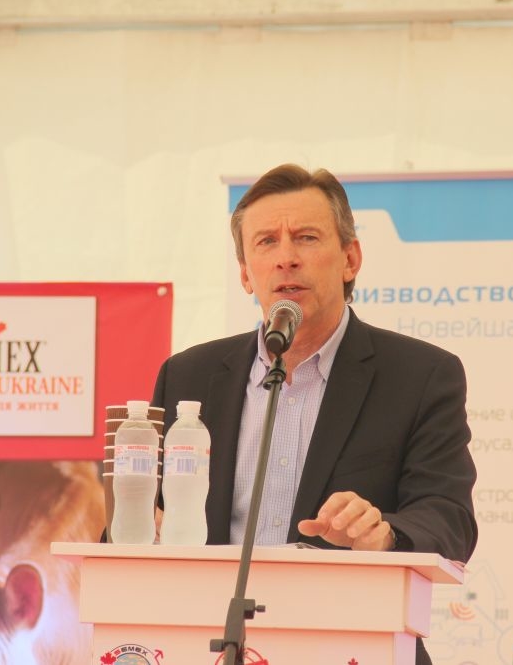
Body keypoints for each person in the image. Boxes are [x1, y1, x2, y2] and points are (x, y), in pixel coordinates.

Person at [153, 163, 477, 665]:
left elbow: (449, 518)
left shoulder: (420, 376)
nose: (286, 258)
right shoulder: (188, 376)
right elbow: (140, 519)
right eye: (266, 242)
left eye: (306, 238)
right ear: (245, 274)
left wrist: (383, 534)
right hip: (203, 647)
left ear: (350, 259)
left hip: (355, 645)